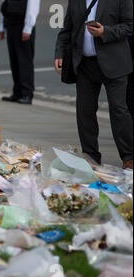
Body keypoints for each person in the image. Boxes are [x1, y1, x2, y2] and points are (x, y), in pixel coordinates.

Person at [55, 0, 133, 169]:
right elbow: (67, 28)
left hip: (115, 63)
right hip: (85, 64)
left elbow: (130, 25)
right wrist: (60, 53)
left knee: (119, 110)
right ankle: (91, 157)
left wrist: (105, 31)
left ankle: (129, 157)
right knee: (85, 112)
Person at [0, 0, 40, 105]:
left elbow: (33, 7)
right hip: (11, 23)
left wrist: (28, 28)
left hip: (22, 25)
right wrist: (2, 26)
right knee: (14, 60)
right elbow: (4, 4)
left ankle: (27, 93)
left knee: (24, 61)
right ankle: (17, 92)